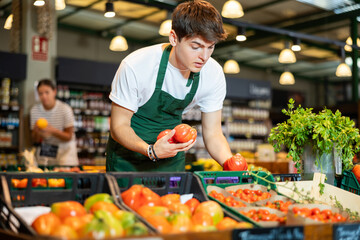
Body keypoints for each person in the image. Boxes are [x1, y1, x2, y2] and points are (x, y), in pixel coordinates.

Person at [106, 0, 234, 172]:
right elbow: (119, 126)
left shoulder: (213, 74)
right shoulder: (137, 65)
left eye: (210, 48)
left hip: (170, 162)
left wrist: (232, 165)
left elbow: (213, 134)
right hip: (127, 160)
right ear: (174, 38)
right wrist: (150, 150)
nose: (204, 56)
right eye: (196, 47)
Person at [30, 79, 79, 166]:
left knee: (65, 176)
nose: (44, 96)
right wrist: (36, 132)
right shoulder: (34, 111)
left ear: (54, 92)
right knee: (47, 175)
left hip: (65, 150)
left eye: (47, 92)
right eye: (40, 93)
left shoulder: (65, 109)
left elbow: (69, 136)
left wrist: (52, 131)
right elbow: (35, 140)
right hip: (48, 148)